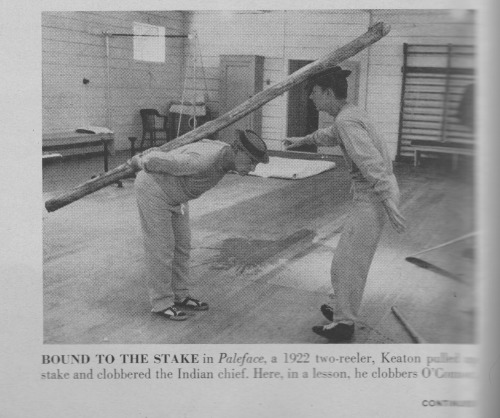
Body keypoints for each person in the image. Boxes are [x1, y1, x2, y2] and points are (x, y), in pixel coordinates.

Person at [283, 67, 406, 342]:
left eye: (314, 94)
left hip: (374, 195)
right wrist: (302, 140)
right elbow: (329, 135)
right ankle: (342, 309)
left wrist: (388, 201)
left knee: (349, 263)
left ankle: (344, 324)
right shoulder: (350, 114)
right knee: (346, 261)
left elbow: (370, 162)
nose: (312, 100)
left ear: (328, 93)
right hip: (374, 194)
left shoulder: (347, 122)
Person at [128, 130, 269, 321]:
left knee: (183, 245)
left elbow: (190, 144)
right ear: (237, 150)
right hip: (154, 190)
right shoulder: (204, 160)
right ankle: (161, 302)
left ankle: (180, 295)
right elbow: (153, 159)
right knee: (161, 248)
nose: (252, 168)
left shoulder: (222, 153)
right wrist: (138, 161)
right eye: (251, 161)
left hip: (177, 197)